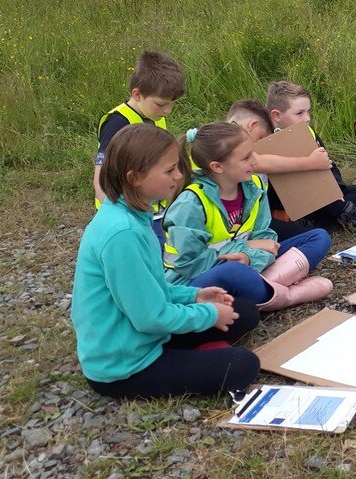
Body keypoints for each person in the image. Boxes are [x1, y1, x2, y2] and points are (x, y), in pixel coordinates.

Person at [72, 124, 260, 399]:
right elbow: (150, 317)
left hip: (142, 336)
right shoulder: (123, 234)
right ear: (135, 177)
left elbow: (152, 289)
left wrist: (195, 295)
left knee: (243, 311)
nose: (179, 175)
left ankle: (189, 349)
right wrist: (208, 314)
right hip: (124, 366)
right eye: (169, 170)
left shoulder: (132, 216)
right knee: (243, 364)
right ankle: (184, 357)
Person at [163, 121, 334, 311]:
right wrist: (247, 248)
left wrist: (250, 258)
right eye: (246, 157)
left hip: (245, 265)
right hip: (195, 281)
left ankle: (263, 288)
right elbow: (190, 264)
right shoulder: (191, 204)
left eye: (253, 152)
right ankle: (290, 295)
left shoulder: (253, 187)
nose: (254, 161)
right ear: (217, 167)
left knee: (319, 237)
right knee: (232, 272)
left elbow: (266, 238)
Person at [263, 82, 356, 236]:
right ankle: (343, 213)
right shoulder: (264, 142)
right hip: (286, 202)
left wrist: (336, 191)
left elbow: (329, 165)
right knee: (311, 182)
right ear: (276, 115)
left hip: (320, 197)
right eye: (299, 113)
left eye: (308, 112)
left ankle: (322, 218)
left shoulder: (307, 131)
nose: (307, 118)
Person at [93, 50, 187, 246]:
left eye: (172, 104)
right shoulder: (117, 123)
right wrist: (111, 216)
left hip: (151, 211)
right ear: (137, 94)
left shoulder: (154, 117)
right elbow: (101, 175)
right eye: (161, 104)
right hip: (124, 216)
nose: (167, 111)